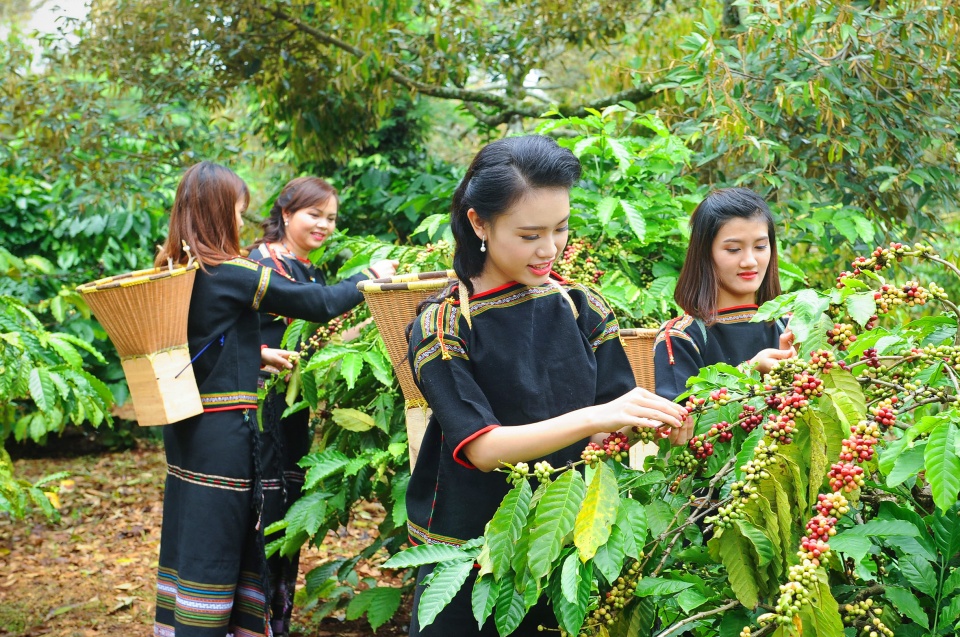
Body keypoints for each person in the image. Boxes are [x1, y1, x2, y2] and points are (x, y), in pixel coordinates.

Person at [404, 135, 692, 636]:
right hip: (470, 551)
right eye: (530, 234)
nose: (550, 248)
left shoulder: (583, 306)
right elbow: (484, 449)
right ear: (479, 223)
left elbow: (606, 429)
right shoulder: (444, 325)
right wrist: (596, 417)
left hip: (569, 544)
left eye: (561, 228)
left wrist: (656, 422)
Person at [152, 161, 388, 637]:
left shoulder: (175, 268)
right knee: (223, 540)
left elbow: (201, 339)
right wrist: (370, 275)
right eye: (237, 211)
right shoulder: (232, 271)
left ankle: (185, 625)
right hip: (225, 433)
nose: (240, 222)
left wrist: (255, 354)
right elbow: (319, 305)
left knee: (192, 533)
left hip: (185, 427)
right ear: (217, 212)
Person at [248, 176, 396, 637]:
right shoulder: (258, 265)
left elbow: (323, 336)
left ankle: (276, 620)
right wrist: (367, 278)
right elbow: (320, 307)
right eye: (314, 214)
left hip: (294, 407)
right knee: (263, 506)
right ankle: (246, 620)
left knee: (288, 504)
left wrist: (379, 320)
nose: (324, 225)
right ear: (286, 213)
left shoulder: (310, 271)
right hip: (257, 404)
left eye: (331, 218)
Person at [654, 187, 795, 403]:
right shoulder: (681, 336)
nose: (750, 261)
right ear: (704, 254)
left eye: (760, 247)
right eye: (733, 249)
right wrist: (748, 371)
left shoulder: (790, 326)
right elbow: (679, 417)